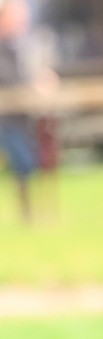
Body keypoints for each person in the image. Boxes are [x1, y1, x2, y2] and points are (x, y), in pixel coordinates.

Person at [0, 0, 37, 221]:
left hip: (16, 115)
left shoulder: (14, 47)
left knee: (24, 163)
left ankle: (26, 212)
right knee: (21, 160)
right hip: (5, 117)